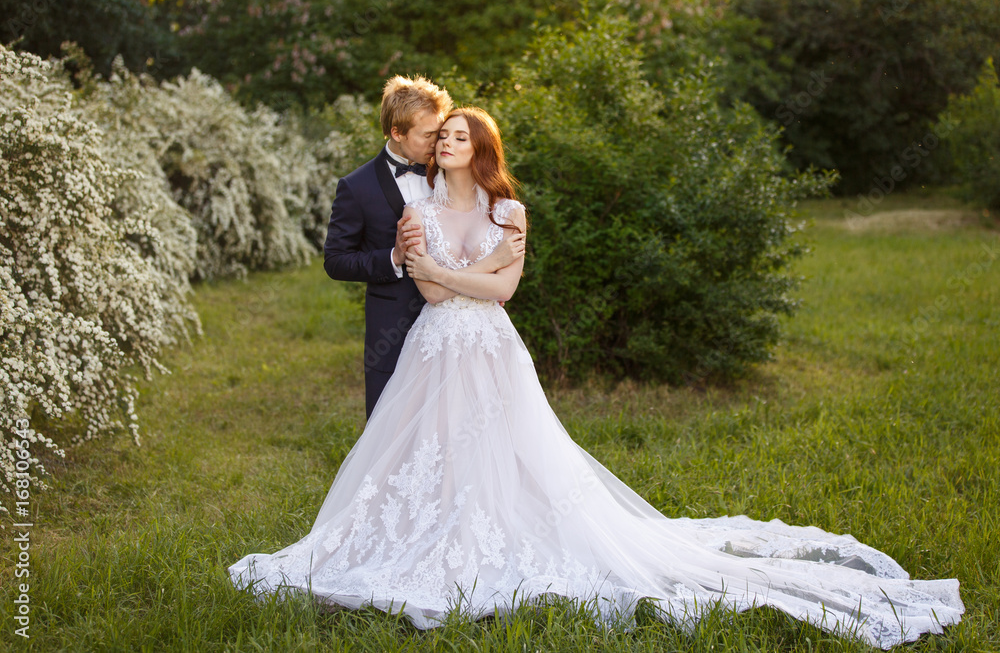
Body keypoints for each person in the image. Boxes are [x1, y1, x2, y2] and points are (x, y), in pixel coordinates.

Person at [231, 107, 963, 648]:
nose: (443, 143)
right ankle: (430, 536)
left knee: (514, 450)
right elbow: (426, 291)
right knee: (432, 448)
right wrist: (468, 273)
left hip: (492, 348)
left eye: (456, 135)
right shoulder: (416, 208)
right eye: (440, 136)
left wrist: (459, 274)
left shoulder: (509, 208)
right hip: (437, 347)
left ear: (479, 148)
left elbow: (505, 292)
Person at [323, 76, 523, 418]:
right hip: (394, 325)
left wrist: (483, 267)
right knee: (394, 428)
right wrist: (393, 257)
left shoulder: (451, 161)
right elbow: (336, 260)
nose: (438, 142)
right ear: (397, 133)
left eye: (441, 131)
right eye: (429, 135)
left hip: (469, 325)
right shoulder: (357, 188)